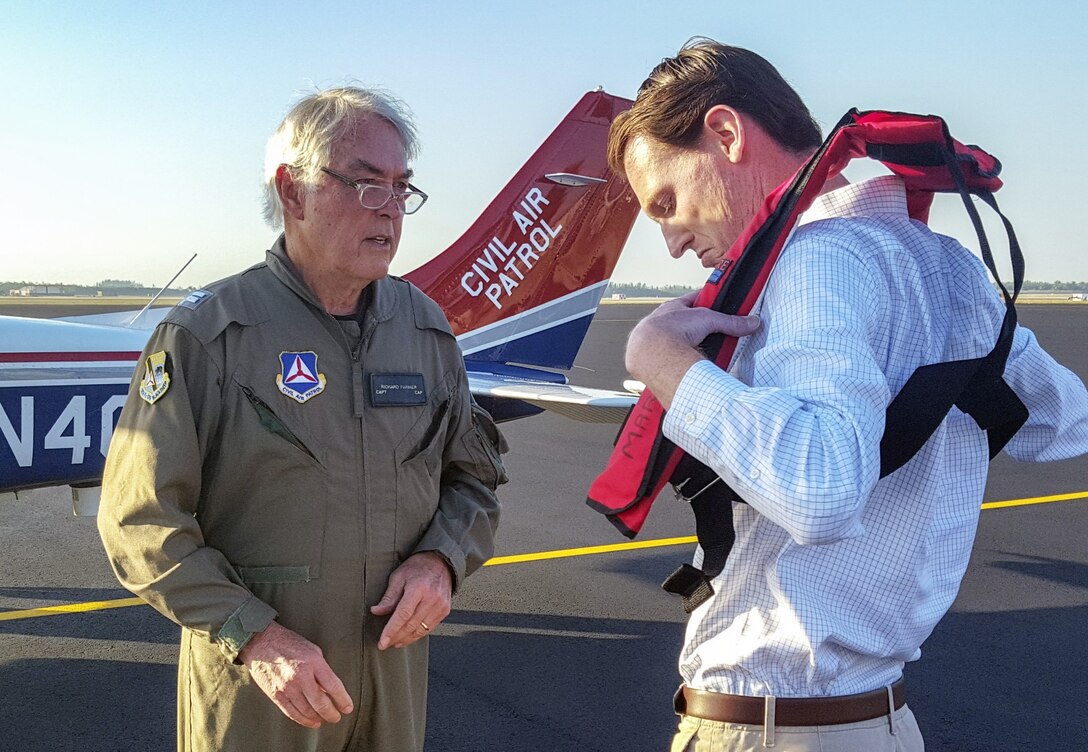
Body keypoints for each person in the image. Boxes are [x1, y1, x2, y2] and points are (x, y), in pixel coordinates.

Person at [609, 39, 1088, 752]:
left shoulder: (815, 258)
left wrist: (662, 361)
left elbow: (822, 489)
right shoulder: (946, 264)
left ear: (726, 133)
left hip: (772, 728)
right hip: (882, 722)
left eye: (668, 202)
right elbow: (1060, 420)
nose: (673, 241)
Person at [97, 86, 506, 752]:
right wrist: (253, 635)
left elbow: (474, 481)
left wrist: (442, 561)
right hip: (259, 692)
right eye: (368, 186)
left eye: (402, 190)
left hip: (390, 686)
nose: (392, 213)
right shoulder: (208, 337)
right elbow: (138, 521)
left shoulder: (425, 332)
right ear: (293, 193)